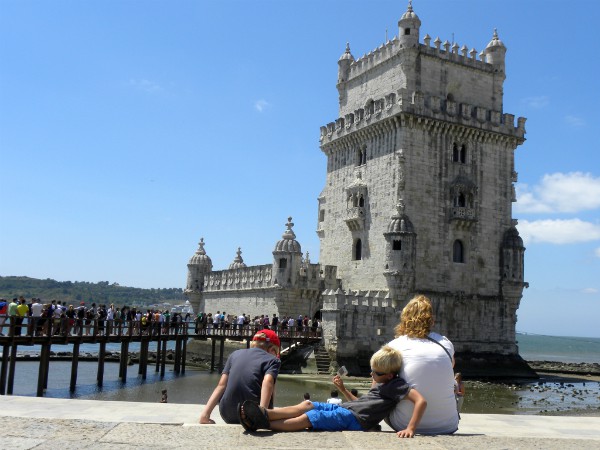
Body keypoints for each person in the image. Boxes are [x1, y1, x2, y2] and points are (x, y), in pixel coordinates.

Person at [239, 345, 427, 438]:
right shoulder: (382, 384)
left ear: (389, 375)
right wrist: (343, 389)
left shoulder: (396, 385)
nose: (371, 374)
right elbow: (361, 403)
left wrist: (411, 428)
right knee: (307, 404)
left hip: (354, 419)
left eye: (375, 372)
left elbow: (421, 401)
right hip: (349, 410)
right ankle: (265, 413)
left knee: (311, 416)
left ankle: (264, 424)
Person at [386, 295, 459, 435]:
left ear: (404, 318)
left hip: (402, 423)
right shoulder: (445, 343)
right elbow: (450, 367)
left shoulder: (394, 346)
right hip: (448, 425)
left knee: (384, 380)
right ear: (431, 319)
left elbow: (376, 387)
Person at [199, 329, 281, 424]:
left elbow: (221, 385)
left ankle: (204, 416)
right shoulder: (273, 360)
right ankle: (262, 413)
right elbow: (268, 382)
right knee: (272, 381)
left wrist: (205, 414)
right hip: (251, 415)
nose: (276, 356)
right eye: (276, 353)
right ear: (272, 350)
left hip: (227, 413)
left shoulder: (234, 354)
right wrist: (262, 414)